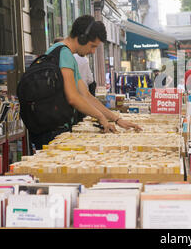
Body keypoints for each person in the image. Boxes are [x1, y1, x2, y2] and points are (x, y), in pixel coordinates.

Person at [29, 15, 142, 150]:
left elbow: (86, 95)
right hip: (52, 131)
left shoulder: (63, 53)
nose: (93, 51)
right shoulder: (64, 54)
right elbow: (73, 97)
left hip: (49, 127)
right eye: (92, 46)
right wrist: (100, 117)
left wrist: (116, 119)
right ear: (81, 38)